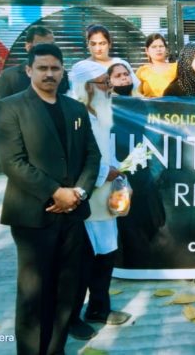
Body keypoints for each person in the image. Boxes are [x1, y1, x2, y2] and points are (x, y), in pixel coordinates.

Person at [0, 43, 101, 354]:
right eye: (42, 68)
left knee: (67, 291)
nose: (49, 73)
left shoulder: (76, 109)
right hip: (33, 215)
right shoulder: (10, 107)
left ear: (63, 70)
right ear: (28, 70)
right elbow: (13, 162)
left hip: (73, 213)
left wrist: (78, 192)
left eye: (55, 68)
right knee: (34, 293)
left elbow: (92, 156)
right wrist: (56, 192)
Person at [67, 61, 132, 340]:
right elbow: (75, 159)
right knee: (82, 260)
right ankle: (69, 317)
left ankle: (98, 308)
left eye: (108, 81)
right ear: (85, 86)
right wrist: (106, 173)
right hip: (84, 194)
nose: (108, 87)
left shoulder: (101, 111)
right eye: (102, 82)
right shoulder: (74, 114)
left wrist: (120, 178)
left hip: (105, 195)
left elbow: (108, 152)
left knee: (106, 252)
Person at [0, 26, 70, 99]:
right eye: (41, 46)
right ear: (28, 47)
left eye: (51, 45)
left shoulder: (61, 73)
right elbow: (3, 107)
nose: (48, 49)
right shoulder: (10, 76)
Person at [77, 24, 140, 89]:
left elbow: (136, 90)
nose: (98, 48)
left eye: (102, 43)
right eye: (93, 44)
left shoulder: (122, 64)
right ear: (88, 45)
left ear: (109, 44)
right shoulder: (81, 68)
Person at [135, 33, 176, 97]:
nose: (158, 49)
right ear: (147, 51)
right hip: (149, 106)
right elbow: (136, 94)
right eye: (154, 47)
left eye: (161, 46)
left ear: (166, 49)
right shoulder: (142, 71)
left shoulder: (176, 68)